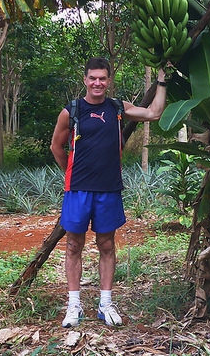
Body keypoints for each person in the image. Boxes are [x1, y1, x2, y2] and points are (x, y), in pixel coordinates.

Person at [50, 57, 167, 327]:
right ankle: (74, 305)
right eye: (93, 78)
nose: (97, 83)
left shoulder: (117, 108)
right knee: (73, 245)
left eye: (102, 78)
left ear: (109, 80)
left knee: (106, 245)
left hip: (109, 189)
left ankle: (105, 304)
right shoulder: (73, 111)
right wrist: (70, 173)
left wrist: (162, 80)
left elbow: (154, 113)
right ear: (85, 80)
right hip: (78, 189)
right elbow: (57, 147)